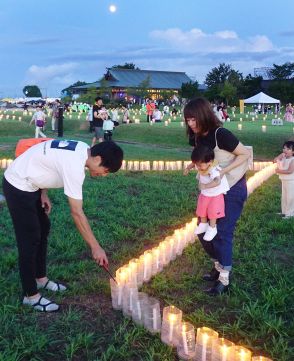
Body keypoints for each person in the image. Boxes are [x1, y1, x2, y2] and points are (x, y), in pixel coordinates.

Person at [2, 140, 124, 312]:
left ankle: (40, 278)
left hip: (31, 184)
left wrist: (43, 192)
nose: (103, 175)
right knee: (29, 239)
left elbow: (47, 159)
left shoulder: (82, 148)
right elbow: (77, 213)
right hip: (18, 185)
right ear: (97, 159)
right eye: (105, 171)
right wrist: (96, 247)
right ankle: (30, 296)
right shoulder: (75, 166)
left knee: (43, 228)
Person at [184, 97, 250, 295]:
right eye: (187, 120)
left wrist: (223, 171)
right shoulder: (197, 137)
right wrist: (193, 164)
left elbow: (245, 154)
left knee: (222, 232)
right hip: (211, 191)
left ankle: (224, 278)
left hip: (232, 188)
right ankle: (218, 264)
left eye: (194, 119)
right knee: (203, 231)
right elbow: (203, 159)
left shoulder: (220, 134)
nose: (190, 123)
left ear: (204, 115)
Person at [185, 145, 229, 241]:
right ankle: (203, 224)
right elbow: (193, 163)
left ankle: (212, 228)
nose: (197, 166)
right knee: (202, 208)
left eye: (200, 165)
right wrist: (188, 168)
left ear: (210, 162)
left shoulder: (214, 169)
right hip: (205, 193)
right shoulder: (201, 164)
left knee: (213, 211)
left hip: (215, 194)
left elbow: (217, 181)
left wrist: (205, 186)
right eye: (197, 164)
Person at [274, 141, 294, 218]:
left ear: (293, 152)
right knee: (284, 196)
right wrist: (280, 156)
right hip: (284, 181)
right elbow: (275, 160)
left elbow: (290, 171)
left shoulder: (293, 160)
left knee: (290, 197)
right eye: (284, 148)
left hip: (291, 182)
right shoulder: (284, 157)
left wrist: (279, 171)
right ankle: (284, 211)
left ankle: (290, 213)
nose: (285, 150)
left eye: (288, 149)